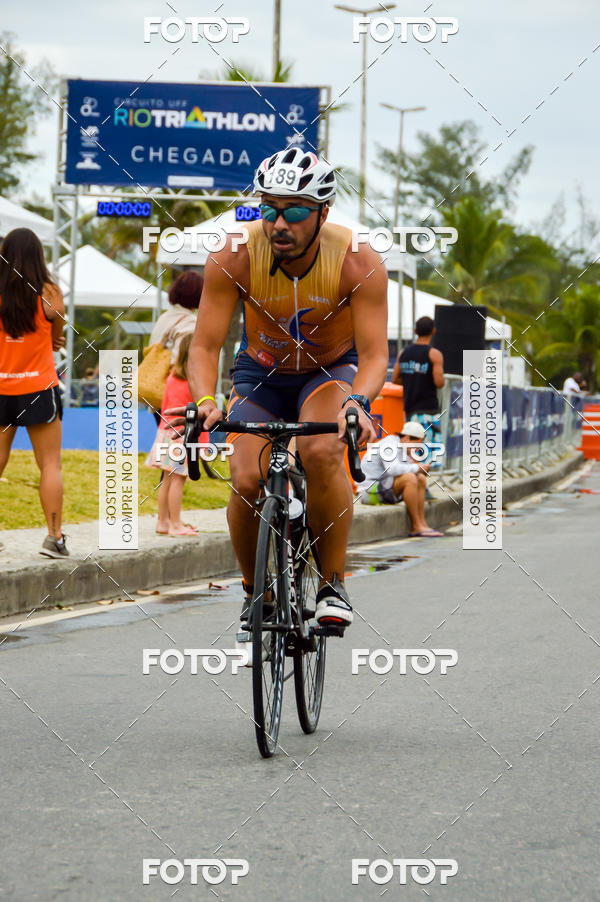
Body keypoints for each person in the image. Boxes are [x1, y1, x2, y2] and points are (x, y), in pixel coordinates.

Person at [170, 148, 388, 632]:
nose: (278, 223)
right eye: (268, 209)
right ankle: (256, 590)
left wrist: (359, 403)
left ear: (323, 213)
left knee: (322, 450)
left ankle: (332, 583)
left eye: (294, 211)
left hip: (328, 373)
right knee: (246, 480)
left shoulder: (358, 261)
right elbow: (204, 347)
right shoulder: (234, 255)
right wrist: (205, 401)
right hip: (260, 374)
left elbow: (374, 356)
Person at [0, 228, 69, 557]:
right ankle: (54, 537)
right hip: (39, 388)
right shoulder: (51, 293)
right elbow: (57, 338)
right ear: (38, 256)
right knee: (50, 465)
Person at [146, 333, 199, 537]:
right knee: (178, 479)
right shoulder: (191, 383)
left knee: (167, 479)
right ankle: (176, 524)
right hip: (181, 435)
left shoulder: (171, 377)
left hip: (165, 432)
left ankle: (163, 521)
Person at [358, 421, 443, 537]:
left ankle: (422, 523)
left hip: (384, 488)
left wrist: (417, 466)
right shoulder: (390, 444)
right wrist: (416, 467)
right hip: (369, 493)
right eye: (417, 445)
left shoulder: (403, 448)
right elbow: (392, 469)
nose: (417, 450)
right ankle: (416, 526)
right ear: (407, 438)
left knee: (421, 478)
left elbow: (406, 469)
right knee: (410, 478)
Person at [149, 270, 204, 425]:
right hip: (175, 396)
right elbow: (181, 363)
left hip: (155, 393)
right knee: (181, 443)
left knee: (164, 440)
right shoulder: (189, 323)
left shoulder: (164, 317)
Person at [391, 315, 445, 442]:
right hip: (428, 410)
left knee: (412, 449)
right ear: (433, 331)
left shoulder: (403, 353)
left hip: (410, 409)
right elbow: (439, 382)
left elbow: (395, 379)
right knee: (430, 450)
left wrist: (412, 379)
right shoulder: (434, 354)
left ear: (415, 331)